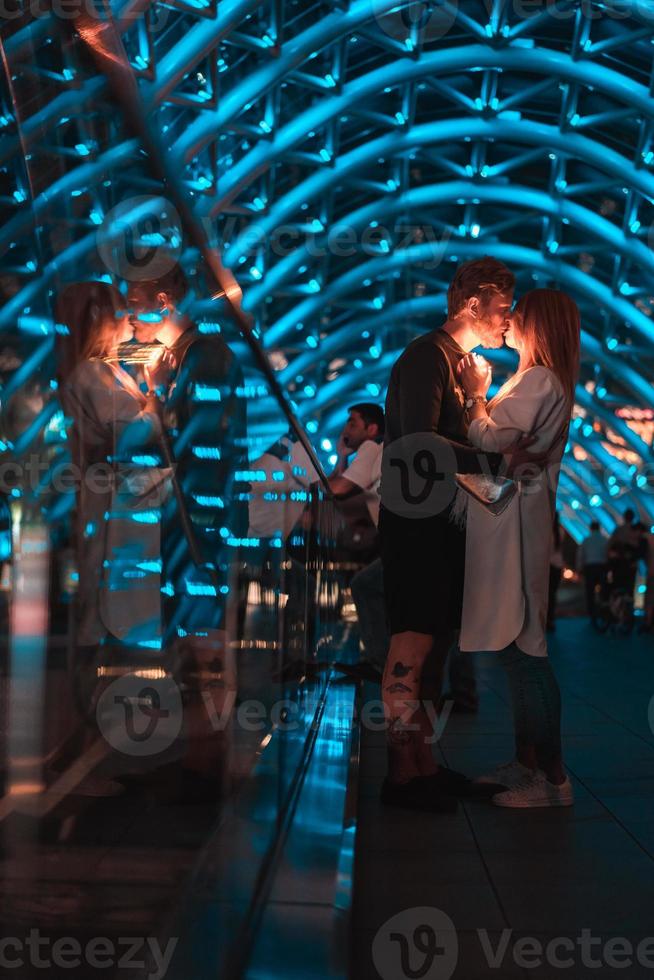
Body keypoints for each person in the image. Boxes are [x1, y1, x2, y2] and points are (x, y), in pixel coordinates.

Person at [378, 256, 538, 813]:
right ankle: (401, 775)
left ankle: (423, 765)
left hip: (440, 525)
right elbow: (420, 443)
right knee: (412, 644)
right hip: (417, 526)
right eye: (503, 307)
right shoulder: (427, 356)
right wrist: (495, 458)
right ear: (473, 304)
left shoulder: (461, 362)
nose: (508, 319)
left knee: (435, 646)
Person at [457, 287, 581, 808]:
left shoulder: (537, 380)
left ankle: (551, 780)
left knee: (528, 650)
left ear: (539, 325)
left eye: (518, 314)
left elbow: (489, 441)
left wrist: (473, 393)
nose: (507, 322)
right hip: (517, 526)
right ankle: (527, 762)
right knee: (517, 649)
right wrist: (508, 449)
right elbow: (507, 450)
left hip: (518, 532)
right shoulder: (543, 381)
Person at [127, 265, 247, 795]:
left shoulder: (207, 357)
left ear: (164, 298)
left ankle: (205, 762)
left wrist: (152, 405)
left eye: (134, 307)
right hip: (192, 525)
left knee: (204, 641)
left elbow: (194, 445)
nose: (129, 322)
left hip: (203, 526)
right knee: (193, 638)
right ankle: (199, 756)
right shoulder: (188, 358)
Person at [55, 281, 169, 657]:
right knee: (102, 574)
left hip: (112, 490)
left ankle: (98, 662)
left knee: (104, 572)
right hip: (109, 491)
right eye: (122, 315)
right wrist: (154, 408)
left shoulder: (107, 371)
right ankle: (96, 663)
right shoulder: (92, 372)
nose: (130, 322)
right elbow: (129, 432)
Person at [577, 520, 609, 617]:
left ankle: (591, 612)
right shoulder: (605, 540)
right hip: (602, 566)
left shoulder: (586, 540)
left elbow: (580, 555)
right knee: (603, 590)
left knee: (590, 591)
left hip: (589, 567)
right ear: (599, 528)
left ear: (590, 528)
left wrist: (579, 568)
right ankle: (603, 611)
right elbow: (607, 553)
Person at [608, 509, 640, 598]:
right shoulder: (636, 531)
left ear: (624, 517)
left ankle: (618, 605)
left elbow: (610, 545)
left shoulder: (618, 530)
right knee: (630, 587)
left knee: (618, 585)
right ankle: (629, 605)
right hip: (631, 564)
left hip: (619, 563)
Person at [547, 512, 564, 632]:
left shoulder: (545, 531)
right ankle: (551, 619)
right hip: (558, 565)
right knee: (553, 594)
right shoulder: (561, 531)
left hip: (548, 565)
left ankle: (545, 620)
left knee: (545, 595)